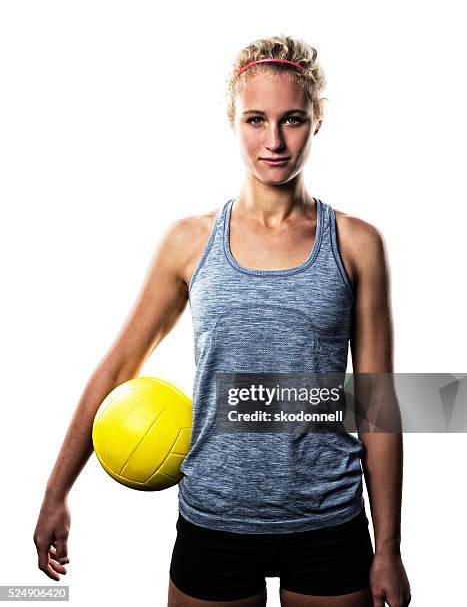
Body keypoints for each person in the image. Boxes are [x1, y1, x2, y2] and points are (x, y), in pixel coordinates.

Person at [34, 34, 411, 607]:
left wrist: (389, 544)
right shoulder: (189, 243)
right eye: (256, 120)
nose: (275, 141)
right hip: (214, 516)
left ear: (317, 120)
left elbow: (378, 404)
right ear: (231, 119)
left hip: (328, 518)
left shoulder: (357, 245)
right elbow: (116, 369)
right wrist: (57, 492)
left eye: (292, 119)